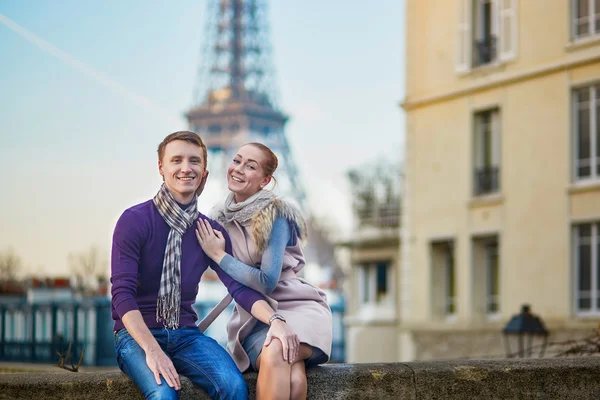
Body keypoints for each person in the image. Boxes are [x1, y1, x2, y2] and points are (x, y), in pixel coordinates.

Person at [110, 131, 299, 400]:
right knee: (164, 394)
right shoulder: (134, 221)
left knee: (234, 387)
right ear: (161, 168)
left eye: (194, 161)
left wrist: (275, 319)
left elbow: (239, 290)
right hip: (135, 337)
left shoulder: (208, 232)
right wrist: (152, 350)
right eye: (176, 160)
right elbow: (122, 295)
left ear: (204, 173)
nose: (186, 168)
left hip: (186, 336)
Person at [195, 142, 333, 400]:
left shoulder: (275, 215)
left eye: (251, 166)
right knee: (292, 374)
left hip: (298, 308)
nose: (238, 169)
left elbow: (266, 281)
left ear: (265, 180)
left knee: (277, 350)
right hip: (252, 318)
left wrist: (219, 255)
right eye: (236, 160)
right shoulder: (217, 221)